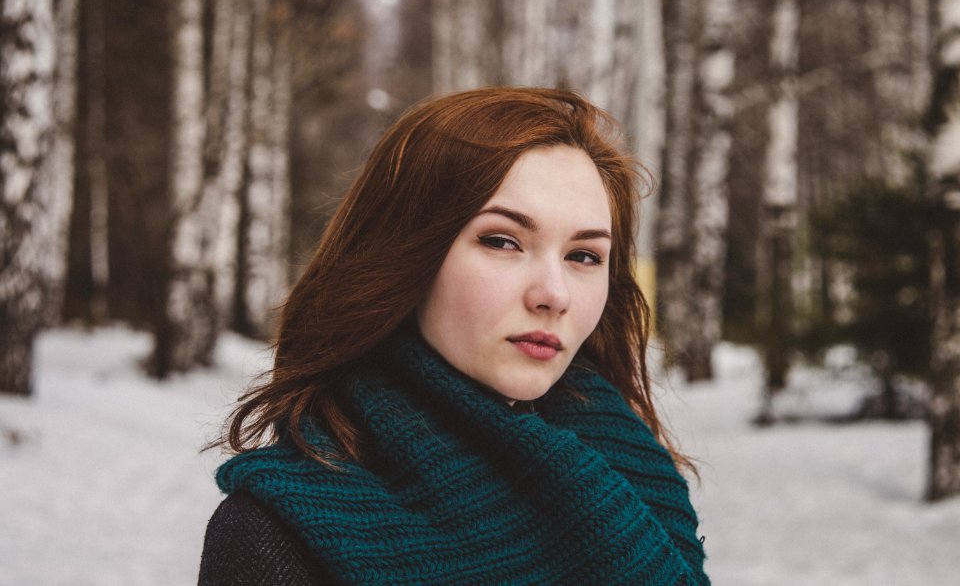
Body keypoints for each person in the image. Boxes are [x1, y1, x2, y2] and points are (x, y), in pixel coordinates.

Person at [198, 87, 709, 585]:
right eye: (502, 241)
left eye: (583, 256)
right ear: (405, 254)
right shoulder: (277, 533)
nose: (555, 294)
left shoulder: (636, 473)